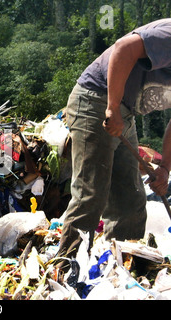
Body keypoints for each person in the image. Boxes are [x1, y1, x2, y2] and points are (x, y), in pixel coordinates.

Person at [57, 19, 171, 264]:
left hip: (125, 112)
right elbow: (124, 47)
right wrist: (112, 108)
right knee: (92, 193)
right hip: (96, 99)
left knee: (130, 198)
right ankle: (67, 268)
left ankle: (120, 269)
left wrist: (165, 169)